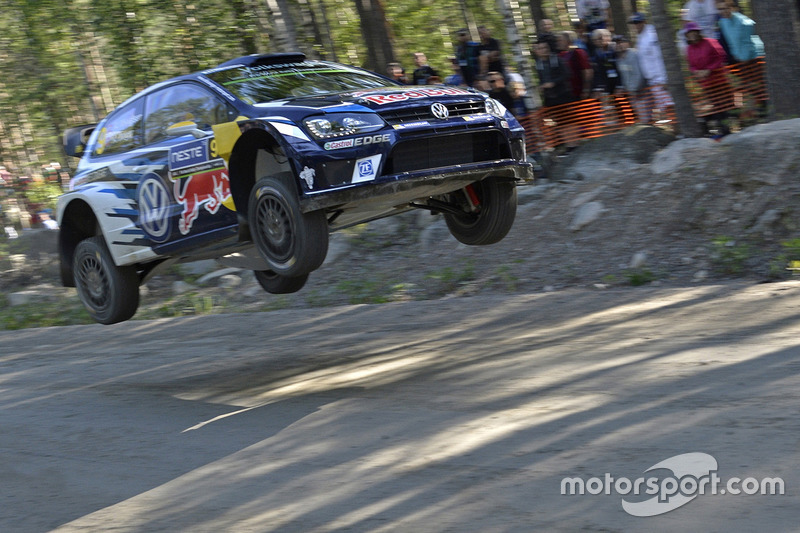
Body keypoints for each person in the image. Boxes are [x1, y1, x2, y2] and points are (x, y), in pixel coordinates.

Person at [685, 21, 731, 135]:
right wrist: (696, 72)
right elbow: (691, 65)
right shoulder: (689, 49)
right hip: (706, 84)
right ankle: (717, 131)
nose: (692, 35)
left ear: (698, 32)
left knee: (725, 106)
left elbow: (721, 56)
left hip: (719, 80)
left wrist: (709, 69)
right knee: (714, 107)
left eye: (694, 32)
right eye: (689, 33)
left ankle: (728, 130)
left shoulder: (710, 42)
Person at [629, 12, 673, 123]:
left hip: (659, 79)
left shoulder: (652, 35)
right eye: (634, 23)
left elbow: (659, 57)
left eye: (637, 22)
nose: (635, 25)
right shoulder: (640, 37)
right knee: (663, 109)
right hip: (651, 81)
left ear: (644, 22)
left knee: (669, 106)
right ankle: (676, 133)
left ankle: (681, 133)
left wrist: (664, 78)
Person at [615, 35, 649, 122]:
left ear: (628, 43)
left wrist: (633, 89)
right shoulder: (619, 59)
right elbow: (624, 76)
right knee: (641, 118)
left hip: (642, 92)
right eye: (617, 43)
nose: (619, 45)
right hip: (632, 93)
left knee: (646, 118)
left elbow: (638, 74)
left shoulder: (634, 54)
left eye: (622, 42)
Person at [556, 31, 593, 101]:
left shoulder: (578, 52)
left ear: (568, 41)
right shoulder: (560, 55)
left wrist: (586, 89)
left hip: (580, 91)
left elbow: (587, 72)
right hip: (567, 93)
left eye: (560, 40)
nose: (558, 42)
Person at [589, 28, 620, 97]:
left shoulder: (616, 49)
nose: (602, 40)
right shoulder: (596, 53)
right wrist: (598, 87)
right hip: (607, 86)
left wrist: (619, 86)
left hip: (619, 85)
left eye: (604, 37)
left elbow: (621, 69)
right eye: (598, 39)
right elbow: (598, 72)